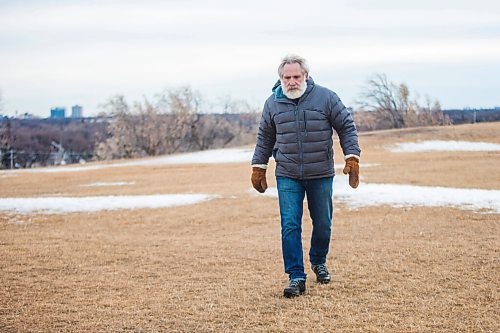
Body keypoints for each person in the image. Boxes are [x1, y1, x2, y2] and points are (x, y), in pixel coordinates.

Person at [251, 54, 361, 298]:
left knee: (323, 223)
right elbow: (264, 138)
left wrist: (352, 157)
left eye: (296, 76)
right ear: (280, 78)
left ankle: (318, 261)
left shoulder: (326, 97)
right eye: (286, 77)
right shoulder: (272, 103)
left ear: (306, 76)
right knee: (290, 224)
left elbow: (346, 127)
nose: (291, 81)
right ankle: (296, 276)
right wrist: (259, 166)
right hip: (287, 173)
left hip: (320, 172)